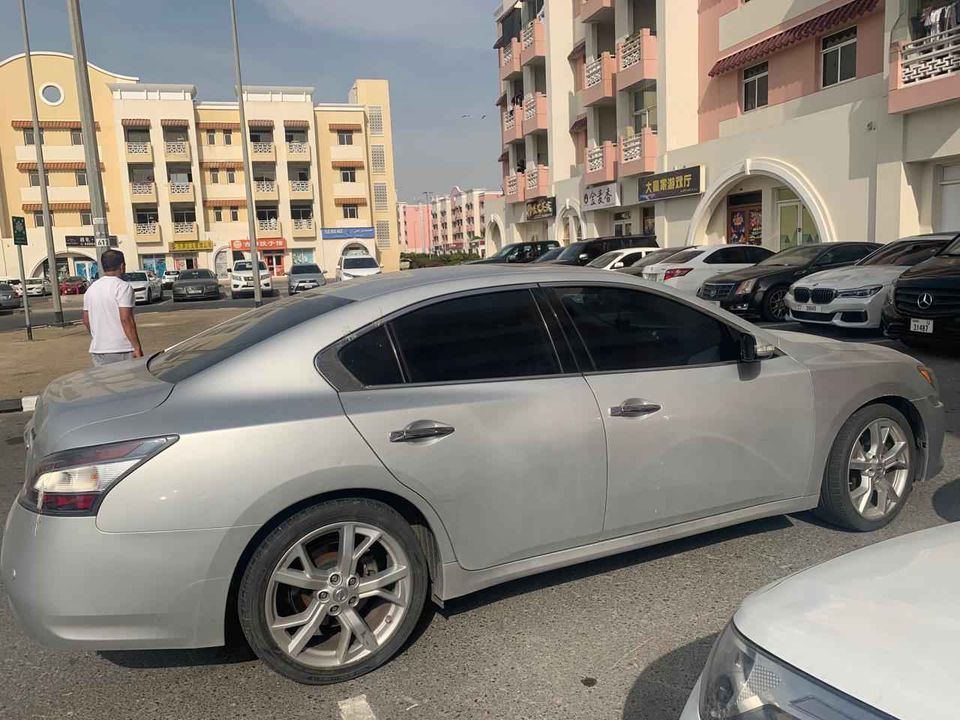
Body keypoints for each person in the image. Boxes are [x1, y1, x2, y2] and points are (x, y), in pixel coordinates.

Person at [82, 249, 143, 366]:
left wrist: (99, 336)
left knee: (107, 383)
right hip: (121, 348)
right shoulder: (123, 287)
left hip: (98, 349)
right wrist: (136, 347)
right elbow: (126, 319)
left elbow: (86, 320)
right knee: (127, 382)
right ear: (122, 266)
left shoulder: (91, 289)